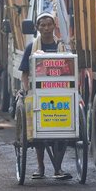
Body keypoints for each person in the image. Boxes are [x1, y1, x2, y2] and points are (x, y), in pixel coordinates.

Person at [18, 12, 72, 180]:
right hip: (37, 94)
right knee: (37, 129)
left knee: (64, 130)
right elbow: (25, 74)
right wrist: (27, 91)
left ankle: (58, 168)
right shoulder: (31, 47)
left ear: (54, 26)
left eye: (49, 24)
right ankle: (41, 168)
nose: (47, 28)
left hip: (60, 94)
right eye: (43, 25)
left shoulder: (62, 47)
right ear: (37, 28)